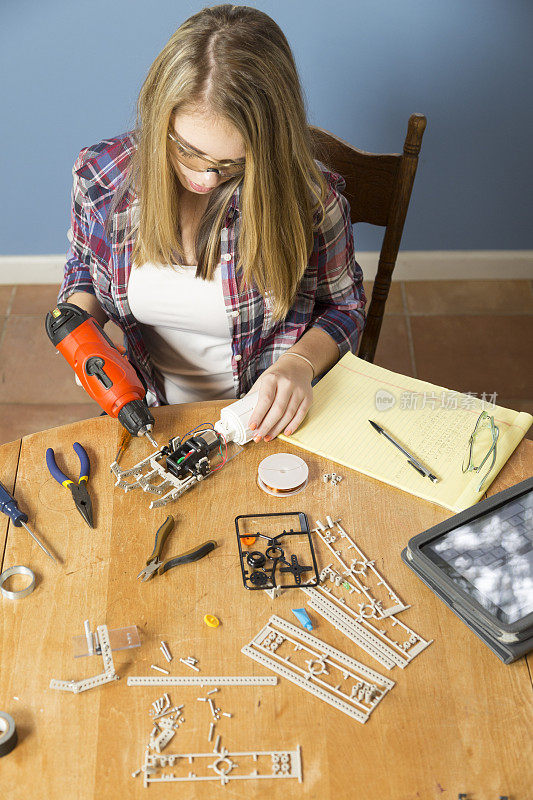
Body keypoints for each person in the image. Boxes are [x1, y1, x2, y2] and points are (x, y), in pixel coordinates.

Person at [58, 4, 366, 442]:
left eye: (231, 164)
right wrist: (80, 330)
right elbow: (83, 271)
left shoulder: (310, 203)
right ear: (157, 114)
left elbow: (346, 307)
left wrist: (299, 366)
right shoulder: (101, 177)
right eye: (187, 151)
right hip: (153, 412)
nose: (205, 179)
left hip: (264, 420)